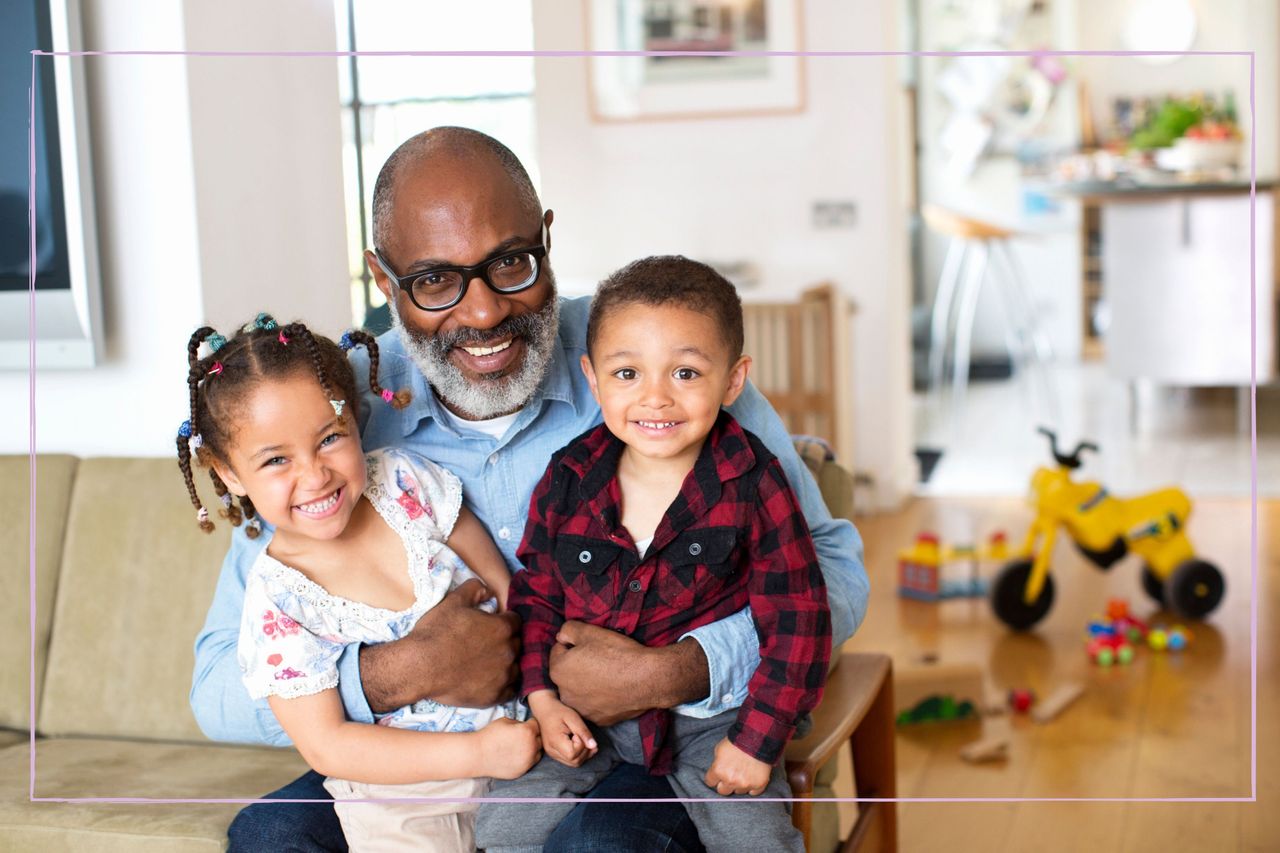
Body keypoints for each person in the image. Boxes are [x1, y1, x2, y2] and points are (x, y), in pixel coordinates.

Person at [191, 126, 870, 853]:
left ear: (546, 239)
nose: (483, 311)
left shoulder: (652, 358)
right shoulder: (328, 415)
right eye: (433, 280)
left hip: (629, 742)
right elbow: (217, 689)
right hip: (416, 752)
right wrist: (402, 671)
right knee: (271, 835)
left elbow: (832, 570)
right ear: (385, 282)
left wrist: (680, 668)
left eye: (511, 262)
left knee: (601, 841)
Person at [475, 257, 830, 853]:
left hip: (713, 721)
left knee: (757, 837)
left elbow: (799, 620)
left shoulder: (752, 481)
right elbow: (537, 594)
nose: (655, 398)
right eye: (627, 373)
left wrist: (755, 743)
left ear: (734, 380)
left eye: (686, 373)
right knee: (505, 821)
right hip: (587, 718)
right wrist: (540, 698)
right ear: (592, 378)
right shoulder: (570, 475)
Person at [178, 315, 542, 851]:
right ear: (229, 473)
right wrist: (479, 755)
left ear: (355, 420)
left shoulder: (401, 480)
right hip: (401, 802)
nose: (315, 474)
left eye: (329, 439)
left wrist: (543, 695)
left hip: (526, 750)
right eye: (276, 459)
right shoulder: (279, 605)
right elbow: (329, 746)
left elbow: (507, 590)